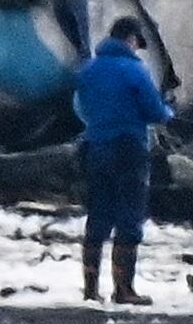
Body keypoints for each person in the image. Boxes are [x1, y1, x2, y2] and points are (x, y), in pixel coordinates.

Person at [73, 19, 171, 305]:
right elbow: (153, 110)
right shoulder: (135, 70)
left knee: (99, 214)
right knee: (129, 214)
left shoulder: (87, 70)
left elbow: (79, 107)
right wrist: (169, 113)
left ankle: (91, 288)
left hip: (94, 145)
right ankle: (123, 288)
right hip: (128, 147)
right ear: (131, 39)